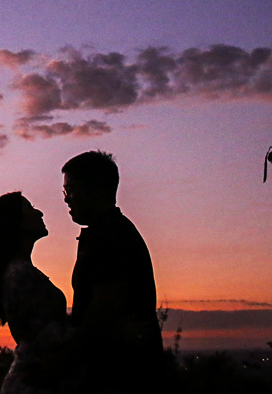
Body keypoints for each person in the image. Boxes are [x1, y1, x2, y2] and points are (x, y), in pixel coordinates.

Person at [63, 150, 164, 392]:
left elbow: (103, 310)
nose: (67, 199)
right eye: (65, 192)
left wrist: (61, 357)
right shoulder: (107, 232)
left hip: (120, 376)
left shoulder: (111, 236)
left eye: (71, 190)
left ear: (95, 188)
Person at [0, 192, 73, 394]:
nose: (40, 213)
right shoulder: (21, 275)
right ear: (16, 223)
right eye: (31, 209)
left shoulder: (17, 272)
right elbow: (53, 339)